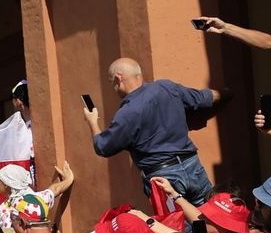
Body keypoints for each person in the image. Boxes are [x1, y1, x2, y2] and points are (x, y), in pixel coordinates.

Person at [85, 56, 219, 204]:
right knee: (211, 218)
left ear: (119, 78)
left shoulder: (128, 113)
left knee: (177, 225)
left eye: (112, 83)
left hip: (163, 176)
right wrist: (226, 94)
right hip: (192, 165)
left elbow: (103, 146)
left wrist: (92, 122)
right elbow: (203, 98)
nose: (114, 88)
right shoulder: (166, 87)